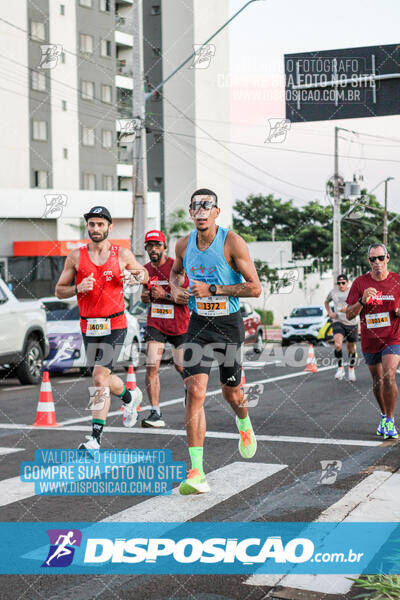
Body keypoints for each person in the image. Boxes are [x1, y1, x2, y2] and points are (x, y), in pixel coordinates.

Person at [170, 188, 262, 495]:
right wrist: (176, 292)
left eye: (206, 206)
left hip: (227, 325)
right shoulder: (183, 244)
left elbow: (255, 288)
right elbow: (174, 274)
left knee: (231, 392)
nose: (200, 210)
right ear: (190, 212)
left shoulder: (232, 242)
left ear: (216, 212)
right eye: (195, 206)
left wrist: (215, 290)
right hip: (198, 325)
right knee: (194, 389)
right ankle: (196, 472)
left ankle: (244, 422)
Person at [55, 206, 148, 449]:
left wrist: (134, 278)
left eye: (100, 224)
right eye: (92, 224)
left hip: (115, 323)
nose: (96, 228)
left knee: (98, 377)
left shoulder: (122, 254)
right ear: (88, 226)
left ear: (109, 227)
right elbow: (59, 290)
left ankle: (95, 439)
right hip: (89, 326)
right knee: (102, 378)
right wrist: (78, 288)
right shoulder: (76, 256)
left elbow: (145, 275)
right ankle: (130, 396)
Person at [346, 243, 400, 440]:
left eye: (380, 258)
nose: (377, 262)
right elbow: (350, 315)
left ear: (388, 258)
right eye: (372, 259)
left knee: (389, 375)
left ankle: (390, 420)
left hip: (393, 338)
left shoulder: (397, 281)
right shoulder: (360, 283)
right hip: (370, 340)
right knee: (377, 382)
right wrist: (361, 301)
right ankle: (384, 415)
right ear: (368, 261)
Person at [140, 229, 190, 427]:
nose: (153, 249)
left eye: (157, 245)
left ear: (164, 247)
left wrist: (165, 295)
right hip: (156, 323)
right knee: (152, 365)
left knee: (181, 367)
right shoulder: (144, 270)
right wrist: (146, 296)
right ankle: (155, 413)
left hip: (179, 324)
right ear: (146, 248)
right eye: (150, 246)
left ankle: (191, 393)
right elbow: (146, 294)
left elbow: (186, 297)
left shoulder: (175, 267)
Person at [324, 274, 358, 381]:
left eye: (343, 283)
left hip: (351, 323)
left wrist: (349, 310)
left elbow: (359, 305)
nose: (341, 285)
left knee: (351, 348)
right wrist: (330, 312)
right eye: (339, 283)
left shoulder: (353, 291)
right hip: (338, 321)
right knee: (337, 344)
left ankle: (351, 369)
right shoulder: (333, 292)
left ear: (348, 283)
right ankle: (340, 368)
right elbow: (326, 301)